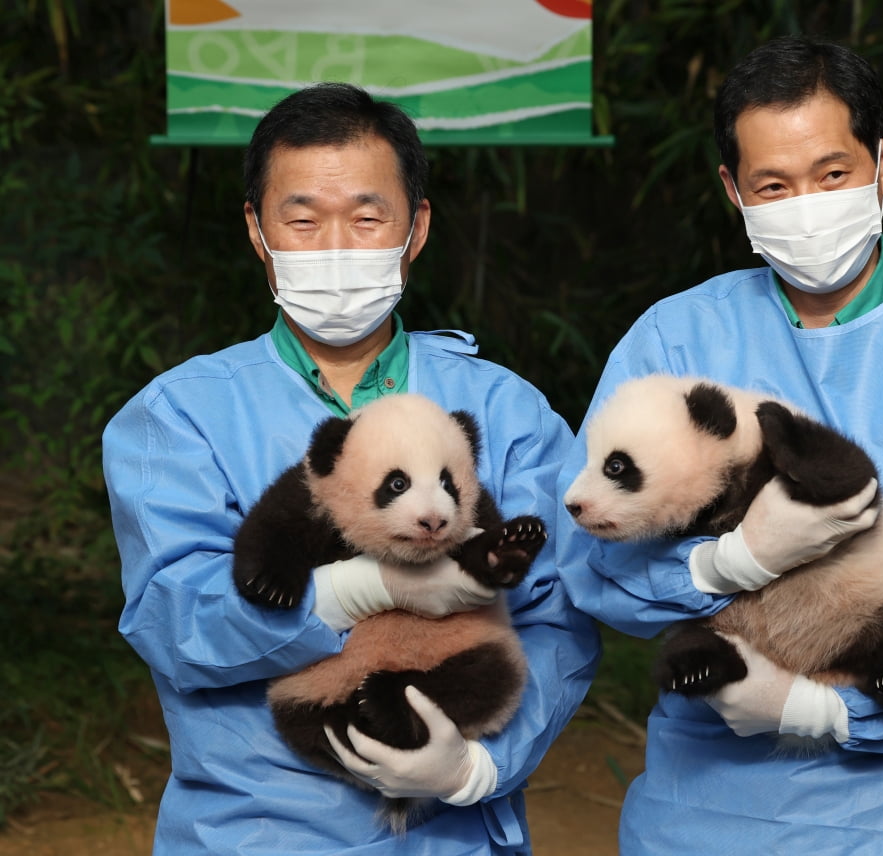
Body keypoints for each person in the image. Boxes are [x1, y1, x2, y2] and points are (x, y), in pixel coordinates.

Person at [555, 35, 883, 854]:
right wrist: (722, 566)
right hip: (708, 811)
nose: (804, 201)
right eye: (774, 184)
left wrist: (831, 710)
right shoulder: (674, 341)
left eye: (832, 174)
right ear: (733, 189)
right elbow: (587, 556)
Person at [103, 83, 600, 855]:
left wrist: (477, 766)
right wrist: (352, 590)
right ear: (257, 230)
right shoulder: (178, 417)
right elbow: (178, 623)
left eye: (368, 219)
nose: (335, 247)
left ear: (417, 227)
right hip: (256, 833)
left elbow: (560, 616)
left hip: (456, 835)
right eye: (301, 220)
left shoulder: (503, 410)